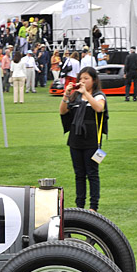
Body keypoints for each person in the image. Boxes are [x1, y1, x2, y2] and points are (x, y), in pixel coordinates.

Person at [59, 66, 106, 211]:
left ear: (94, 80)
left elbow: (99, 108)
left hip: (92, 140)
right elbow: (63, 111)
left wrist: (86, 93)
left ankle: (93, 206)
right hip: (75, 139)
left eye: (86, 78)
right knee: (78, 174)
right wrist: (66, 94)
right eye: (81, 78)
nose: (83, 81)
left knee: (92, 173)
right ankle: (80, 204)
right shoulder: (75, 96)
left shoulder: (98, 95)